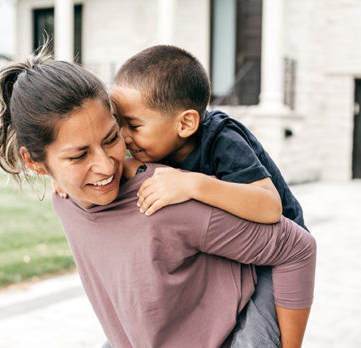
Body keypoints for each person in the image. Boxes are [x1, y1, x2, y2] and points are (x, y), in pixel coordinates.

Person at [0, 53, 316, 348]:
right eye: (78, 155)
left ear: (185, 123)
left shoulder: (206, 157)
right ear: (36, 163)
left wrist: (192, 184)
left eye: (112, 137)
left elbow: (282, 226)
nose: (107, 165)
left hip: (271, 242)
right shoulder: (68, 198)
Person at [110, 45, 310, 347]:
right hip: (227, 251)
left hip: (274, 257)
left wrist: (192, 184)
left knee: (253, 339)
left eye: (134, 125)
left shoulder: (222, 139)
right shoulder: (155, 145)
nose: (124, 136)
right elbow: (126, 170)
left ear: (185, 124)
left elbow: (269, 206)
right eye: (119, 123)